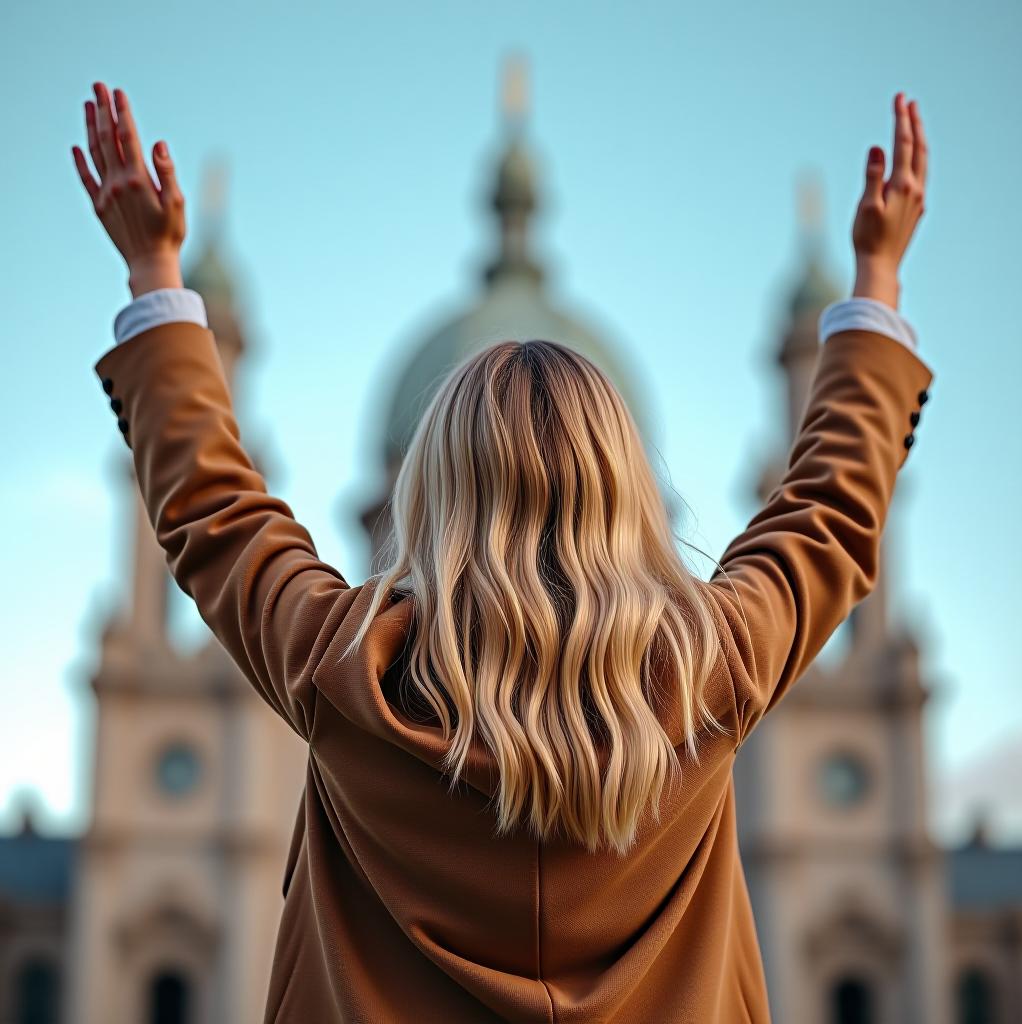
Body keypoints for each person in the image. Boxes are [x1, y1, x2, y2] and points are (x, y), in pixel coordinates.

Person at [73, 83, 931, 1023]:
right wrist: (877, 283)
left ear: (424, 503)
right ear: (630, 505)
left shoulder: (339, 668)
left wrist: (156, 273)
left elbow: (212, 506)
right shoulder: (715, 670)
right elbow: (834, 507)